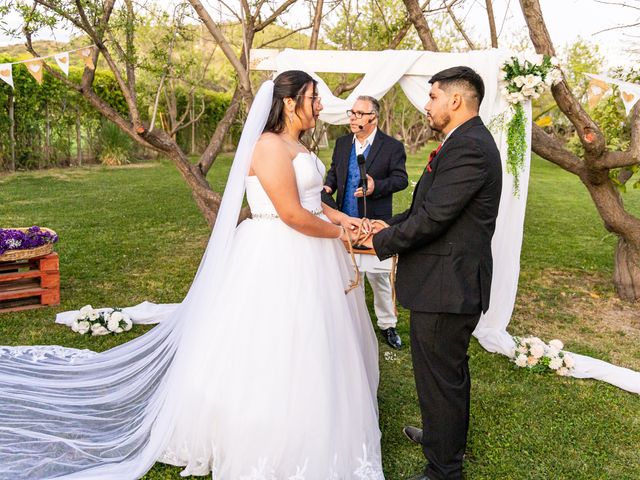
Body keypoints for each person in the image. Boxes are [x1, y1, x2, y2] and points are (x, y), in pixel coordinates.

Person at [0, 71, 384, 479]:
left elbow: (313, 205)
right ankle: (264, 430)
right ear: (290, 103)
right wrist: (342, 233)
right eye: (314, 97)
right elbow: (290, 214)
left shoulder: (298, 144)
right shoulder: (268, 146)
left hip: (311, 248)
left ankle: (321, 414)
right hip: (277, 252)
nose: (321, 105)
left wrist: (348, 221)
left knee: (318, 337)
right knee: (275, 340)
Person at [364, 66, 502, 480]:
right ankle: (440, 437)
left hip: (449, 287)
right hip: (442, 284)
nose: (427, 106)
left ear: (455, 100)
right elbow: (426, 207)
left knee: (442, 378)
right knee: (439, 375)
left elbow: (435, 219)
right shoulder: (461, 142)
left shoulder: (470, 147)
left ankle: (444, 469)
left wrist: (377, 244)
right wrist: (387, 225)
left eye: (433, 97)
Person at [324, 95, 408, 349]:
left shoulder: (392, 147)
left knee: (379, 278)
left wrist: (376, 187)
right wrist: (329, 185)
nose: (353, 117)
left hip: (375, 222)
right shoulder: (341, 144)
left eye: (360, 113)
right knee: (348, 272)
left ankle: (388, 324)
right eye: (352, 112)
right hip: (343, 220)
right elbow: (335, 171)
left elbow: (401, 179)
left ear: (374, 117)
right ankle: (353, 324)